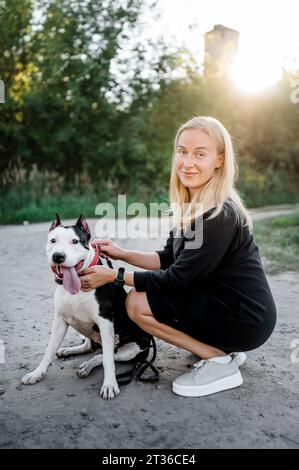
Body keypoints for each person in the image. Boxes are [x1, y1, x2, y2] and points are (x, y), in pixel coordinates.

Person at [80, 116, 277, 397]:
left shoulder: (218, 214)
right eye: (182, 151)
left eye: (200, 154)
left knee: (137, 303)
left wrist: (114, 275)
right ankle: (221, 349)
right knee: (146, 294)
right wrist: (121, 254)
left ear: (219, 161)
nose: (187, 162)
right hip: (228, 308)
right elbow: (168, 258)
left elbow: (176, 279)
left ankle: (219, 360)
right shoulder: (192, 205)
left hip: (244, 318)